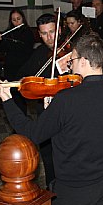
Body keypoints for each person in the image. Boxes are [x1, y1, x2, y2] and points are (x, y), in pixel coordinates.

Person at [0, 33, 103, 205]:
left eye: (74, 59)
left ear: (85, 62)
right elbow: (87, 123)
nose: (70, 63)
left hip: (73, 187)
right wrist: (54, 110)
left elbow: (33, 134)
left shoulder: (66, 99)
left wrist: (8, 101)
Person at [18, 14, 62, 187]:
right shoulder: (39, 53)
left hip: (66, 115)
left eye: (52, 32)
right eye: (44, 34)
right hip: (44, 114)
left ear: (58, 30)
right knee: (48, 156)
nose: (49, 38)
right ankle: (52, 191)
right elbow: (24, 77)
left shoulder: (72, 52)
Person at [0, 9, 36, 112]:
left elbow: (22, 49)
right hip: (10, 67)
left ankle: (22, 116)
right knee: (11, 94)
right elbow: (1, 48)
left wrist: (3, 42)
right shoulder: (8, 32)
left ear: (23, 18)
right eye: (13, 20)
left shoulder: (28, 32)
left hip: (22, 67)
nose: (16, 22)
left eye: (18, 19)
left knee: (20, 95)